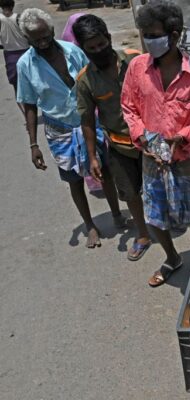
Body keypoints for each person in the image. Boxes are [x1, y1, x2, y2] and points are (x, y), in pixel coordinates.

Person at [16, 8, 126, 248]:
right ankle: (90, 226)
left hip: (90, 121)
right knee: (74, 180)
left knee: (105, 170)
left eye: (46, 36)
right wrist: (33, 144)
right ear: (27, 40)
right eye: (36, 40)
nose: (43, 42)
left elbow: (95, 79)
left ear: (52, 30)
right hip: (60, 131)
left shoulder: (73, 51)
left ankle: (117, 214)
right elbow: (30, 104)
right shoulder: (26, 65)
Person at [121, 0, 190, 287]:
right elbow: (129, 107)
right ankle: (172, 258)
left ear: (174, 34)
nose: (149, 40)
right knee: (156, 216)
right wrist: (143, 137)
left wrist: (182, 137)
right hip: (150, 157)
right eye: (145, 34)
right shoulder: (136, 67)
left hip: (187, 156)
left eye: (154, 34)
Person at [73, 14, 152, 261]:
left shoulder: (136, 60)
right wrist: (92, 156)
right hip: (119, 145)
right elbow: (86, 120)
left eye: (101, 44)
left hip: (151, 140)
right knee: (130, 193)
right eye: (92, 48)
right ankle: (142, 234)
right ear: (83, 49)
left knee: (161, 187)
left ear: (108, 38)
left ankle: (166, 224)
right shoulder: (85, 80)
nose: (98, 50)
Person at [0, 0, 29, 114]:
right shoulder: (19, 18)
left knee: (17, 88)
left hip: (10, 55)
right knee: (30, 84)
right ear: (12, 6)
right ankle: (32, 111)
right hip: (26, 53)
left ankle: (26, 114)